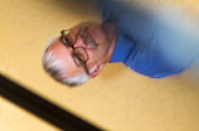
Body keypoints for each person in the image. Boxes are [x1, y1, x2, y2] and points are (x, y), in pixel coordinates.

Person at [42, 19, 191, 86]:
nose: (79, 40)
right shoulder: (150, 61)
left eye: (68, 39)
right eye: (79, 57)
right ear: (97, 69)